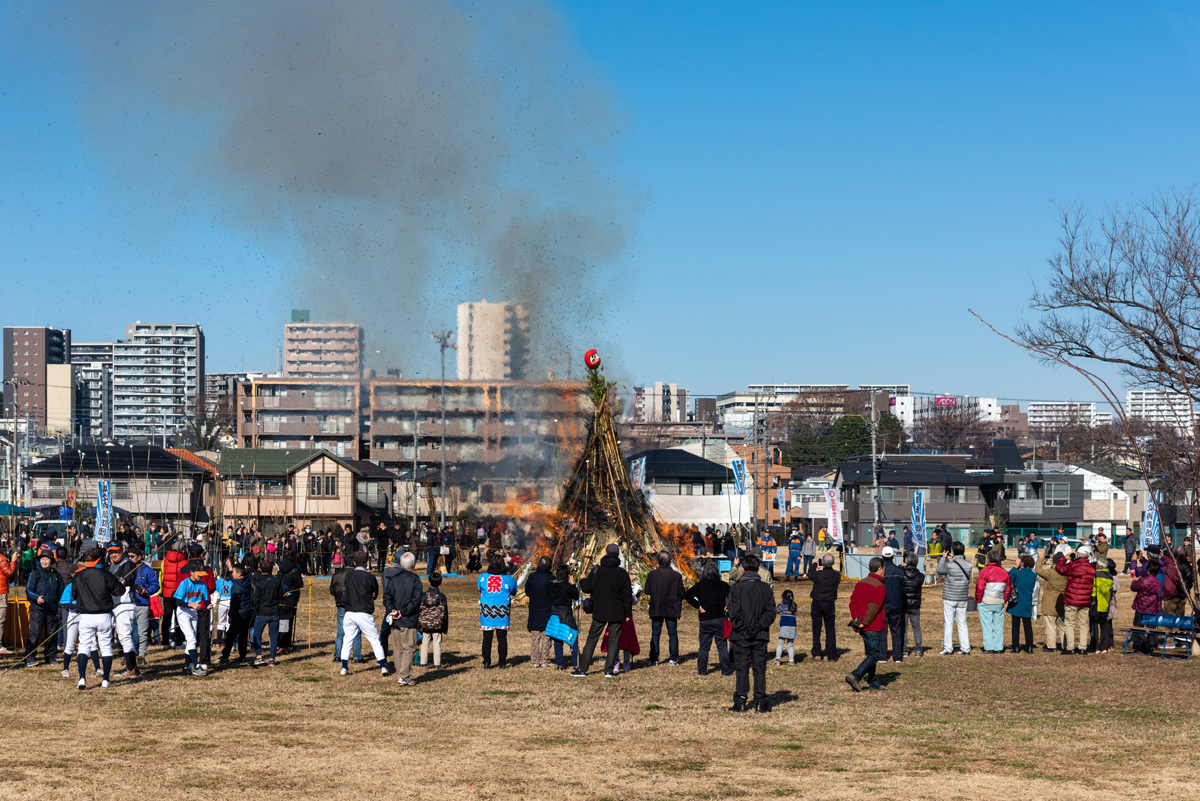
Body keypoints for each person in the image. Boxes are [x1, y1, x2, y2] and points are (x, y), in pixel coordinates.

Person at [573, 543, 632, 679]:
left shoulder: (597, 570)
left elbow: (586, 588)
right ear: (617, 556)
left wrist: (582, 580)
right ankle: (609, 671)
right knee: (613, 641)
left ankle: (582, 669)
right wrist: (627, 614)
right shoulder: (622, 573)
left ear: (605, 554)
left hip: (599, 610)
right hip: (617, 612)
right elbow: (627, 596)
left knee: (591, 640)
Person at [727, 551, 776, 713]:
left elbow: (733, 613)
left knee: (742, 668)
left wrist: (747, 629)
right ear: (757, 570)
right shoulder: (765, 589)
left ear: (743, 569)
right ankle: (760, 702)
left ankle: (741, 701)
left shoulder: (736, 589)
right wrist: (754, 628)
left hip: (743, 635)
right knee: (759, 668)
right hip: (759, 634)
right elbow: (770, 613)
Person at [71, 547, 124, 689]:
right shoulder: (106, 575)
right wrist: (119, 582)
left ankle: (81, 679)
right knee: (106, 646)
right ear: (100, 559)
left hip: (85, 616)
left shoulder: (78, 576)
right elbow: (120, 591)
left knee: (83, 646)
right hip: (104, 616)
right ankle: (106, 680)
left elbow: (74, 595)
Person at [338, 551, 389, 676]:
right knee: (374, 640)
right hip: (364, 613)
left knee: (347, 640)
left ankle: (344, 667)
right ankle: (382, 666)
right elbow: (375, 594)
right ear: (367, 563)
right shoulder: (370, 577)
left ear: (354, 563)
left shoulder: (348, 576)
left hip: (349, 612)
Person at [845, 557, 886, 692]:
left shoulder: (860, 583)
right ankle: (855, 675)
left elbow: (853, 602)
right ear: (880, 569)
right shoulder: (879, 587)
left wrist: (857, 618)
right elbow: (873, 607)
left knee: (870, 655)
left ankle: (873, 683)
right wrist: (864, 622)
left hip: (863, 625)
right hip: (872, 626)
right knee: (874, 655)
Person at [684, 560, 731, 676]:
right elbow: (734, 595)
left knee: (704, 647)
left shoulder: (700, 585)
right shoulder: (723, 585)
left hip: (705, 619)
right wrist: (728, 606)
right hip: (720, 618)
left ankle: (702, 670)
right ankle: (725, 671)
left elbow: (687, 595)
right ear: (717, 572)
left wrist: (698, 605)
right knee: (722, 646)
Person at [383, 551, 423, 687]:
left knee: (398, 648)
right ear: (413, 564)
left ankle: (401, 674)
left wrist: (392, 610)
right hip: (407, 619)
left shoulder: (393, 578)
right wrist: (401, 612)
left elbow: (386, 596)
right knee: (409, 648)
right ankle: (403, 675)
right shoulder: (415, 580)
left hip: (395, 618)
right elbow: (416, 600)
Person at [23, 549, 64, 667]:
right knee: (35, 633)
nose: (44, 561)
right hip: (38, 609)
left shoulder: (56, 574)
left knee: (51, 634)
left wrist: (61, 604)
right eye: (42, 559)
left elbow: (61, 590)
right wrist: (37, 598)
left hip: (53, 609)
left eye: (47, 559)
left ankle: (50, 657)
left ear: (51, 561)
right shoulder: (35, 573)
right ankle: (30, 658)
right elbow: (29, 590)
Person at [477, 552, 518, 670]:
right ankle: (502, 663)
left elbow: (480, 588)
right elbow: (513, 591)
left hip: (487, 613)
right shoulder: (508, 579)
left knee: (487, 638)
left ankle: (486, 662)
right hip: (502, 613)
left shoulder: (483, 577)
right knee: (502, 638)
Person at [172, 560, 211, 676]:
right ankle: (196, 666)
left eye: (201, 575)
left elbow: (205, 598)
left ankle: (186, 666)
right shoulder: (184, 584)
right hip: (183, 612)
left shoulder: (202, 584)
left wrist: (208, 604)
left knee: (192, 639)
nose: (200, 577)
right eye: (198, 574)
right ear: (191, 572)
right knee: (191, 638)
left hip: (193, 612)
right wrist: (191, 604)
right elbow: (178, 602)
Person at [646, 551, 684, 667]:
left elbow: (647, 590)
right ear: (670, 562)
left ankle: (654, 659)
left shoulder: (652, 574)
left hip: (657, 607)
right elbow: (682, 592)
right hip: (672, 608)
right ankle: (673, 659)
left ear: (658, 561)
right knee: (672, 634)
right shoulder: (676, 575)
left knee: (655, 634)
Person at [1056, 545, 1096, 655]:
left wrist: (1064, 558)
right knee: (1083, 624)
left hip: (1072, 599)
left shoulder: (1073, 565)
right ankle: (1083, 647)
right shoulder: (1092, 568)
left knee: (1069, 624)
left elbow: (1060, 569)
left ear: (1078, 554)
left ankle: (1070, 647)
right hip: (1085, 600)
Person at [936, 542, 972, 655]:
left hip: (950, 597)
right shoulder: (969, 565)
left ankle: (948, 648)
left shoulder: (950, 565)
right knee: (962, 623)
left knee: (948, 623)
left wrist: (943, 558)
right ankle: (965, 648)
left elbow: (939, 570)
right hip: (962, 597)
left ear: (952, 552)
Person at [975, 551, 1011, 653]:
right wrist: (1004, 599)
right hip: (999, 601)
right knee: (998, 625)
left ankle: (989, 647)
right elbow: (1008, 588)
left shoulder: (984, 571)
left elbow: (980, 587)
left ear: (988, 559)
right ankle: (999, 647)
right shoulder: (1005, 572)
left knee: (987, 625)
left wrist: (978, 600)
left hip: (986, 601)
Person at [219, 562, 253, 666]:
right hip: (247, 612)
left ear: (239, 573)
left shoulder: (237, 588)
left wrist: (230, 615)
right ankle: (242, 655)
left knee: (231, 635)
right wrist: (230, 567)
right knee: (243, 635)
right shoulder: (246, 580)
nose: (231, 574)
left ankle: (225, 655)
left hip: (239, 613)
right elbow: (235, 580)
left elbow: (234, 603)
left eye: (233, 572)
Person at [250, 558, 283, 667]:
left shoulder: (259, 582)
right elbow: (280, 596)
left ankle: (259, 656)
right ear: (272, 569)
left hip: (263, 612)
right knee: (273, 636)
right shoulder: (277, 581)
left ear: (260, 569)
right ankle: (272, 658)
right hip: (274, 611)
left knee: (257, 634)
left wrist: (256, 610)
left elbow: (256, 598)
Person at [808, 554, 839, 661]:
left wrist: (815, 564)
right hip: (830, 603)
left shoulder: (818, 575)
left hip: (817, 602)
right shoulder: (837, 575)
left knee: (816, 629)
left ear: (822, 563)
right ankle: (831, 655)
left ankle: (817, 653)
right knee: (830, 630)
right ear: (833, 563)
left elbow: (810, 573)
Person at [1036, 551, 1069, 653]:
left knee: (1051, 627)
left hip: (1050, 604)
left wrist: (1041, 558)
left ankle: (1051, 646)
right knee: (1062, 627)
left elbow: (1038, 569)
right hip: (1062, 603)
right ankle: (1065, 645)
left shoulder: (1050, 573)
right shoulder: (1067, 573)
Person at [525, 556, 555, 668]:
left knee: (535, 637)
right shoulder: (552, 578)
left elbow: (527, 592)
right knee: (547, 637)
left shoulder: (532, 577)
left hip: (534, 610)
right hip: (547, 611)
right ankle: (544, 660)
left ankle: (534, 660)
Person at [549, 564, 580, 671]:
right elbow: (576, 596)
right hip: (565, 614)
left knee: (558, 639)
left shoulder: (551, 584)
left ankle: (560, 664)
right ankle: (576, 663)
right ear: (567, 575)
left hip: (554, 614)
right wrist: (573, 584)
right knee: (574, 637)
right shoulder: (567, 586)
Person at [160, 539, 188, 650]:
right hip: (179, 593)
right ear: (183, 550)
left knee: (166, 617)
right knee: (179, 617)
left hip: (167, 592)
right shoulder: (185, 563)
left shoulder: (165, 560)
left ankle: (165, 642)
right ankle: (180, 642)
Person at [1130, 560, 1163, 653]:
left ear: (1147, 570)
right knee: (1151, 625)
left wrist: (1134, 580)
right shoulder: (1158, 582)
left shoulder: (1143, 579)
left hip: (1141, 605)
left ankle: (1141, 643)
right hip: (1152, 606)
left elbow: (1134, 587)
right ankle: (1151, 644)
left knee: (1139, 624)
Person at [1007, 555, 1038, 654]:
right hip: (1027, 602)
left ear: (1022, 563)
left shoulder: (1018, 573)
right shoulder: (1033, 575)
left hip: (1017, 602)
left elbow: (1009, 577)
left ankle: (1015, 647)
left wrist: (1015, 567)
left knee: (1015, 627)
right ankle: (1029, 646)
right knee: (1027, 626)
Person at [418, 572, 449, 668]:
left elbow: (418, 610)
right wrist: (445, 627)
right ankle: (437, 663)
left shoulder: (423, 596)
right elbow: (445, 613)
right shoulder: (442, 597)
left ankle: (423, 662)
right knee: (436, 643)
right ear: (440, 583)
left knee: (424, 643)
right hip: (438, 624)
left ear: (428, 582)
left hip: (425, 624)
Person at [880, 546, 905, 663]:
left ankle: (882, 656)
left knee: (883, 631)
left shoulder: (881, 572)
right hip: (896, 605)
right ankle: (897, 657)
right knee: (896, 631)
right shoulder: (899, 571)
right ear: (893, 556)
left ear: (882, 557)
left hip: (883, 605)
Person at [900, 552, 924, 657]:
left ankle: (904, 649)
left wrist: (901, 566)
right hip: (915, 605)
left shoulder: (901, 574)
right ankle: (918, 649)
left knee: (903, 627)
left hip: (903, 604)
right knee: (916, 627)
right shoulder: (920, 576)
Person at [1090, 557, 1115, 654]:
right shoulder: (1110, 576)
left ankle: (1095, 647)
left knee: (1094, 625)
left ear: (1098, 565)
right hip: (1105, 603)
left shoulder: (1095, 575)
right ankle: (1104, 647)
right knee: (1104, 626)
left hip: (1095, 602)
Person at [0, 546, 16, 654]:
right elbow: (9, 573)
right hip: (1, 591)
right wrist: (13, 561)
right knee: (0, 620)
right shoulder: (2, 559)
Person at [774, 589, 797, 665]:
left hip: (784, 627)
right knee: (790, 645)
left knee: (780, 644)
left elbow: (776, 611)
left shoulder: (783, 605)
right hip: (792, 628)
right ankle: (791, 660)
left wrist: (780, 603)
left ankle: (777, 660)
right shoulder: (794, 605)